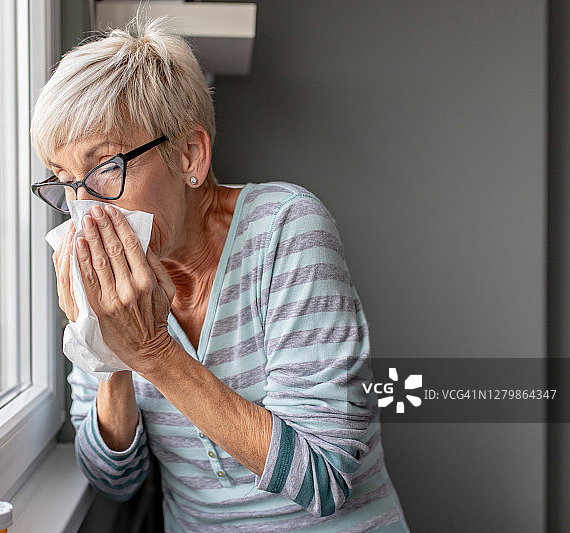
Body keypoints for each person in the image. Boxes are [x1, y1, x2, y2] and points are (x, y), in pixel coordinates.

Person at [30, 16, 410, 533]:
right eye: (67, 183)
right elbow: (114, 480)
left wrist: (153, 353)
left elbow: (325, 478)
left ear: (190, 154)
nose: (85, 211)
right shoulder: (108, 285)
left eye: (106, 169)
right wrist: (107, 351)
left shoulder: (285, 227)